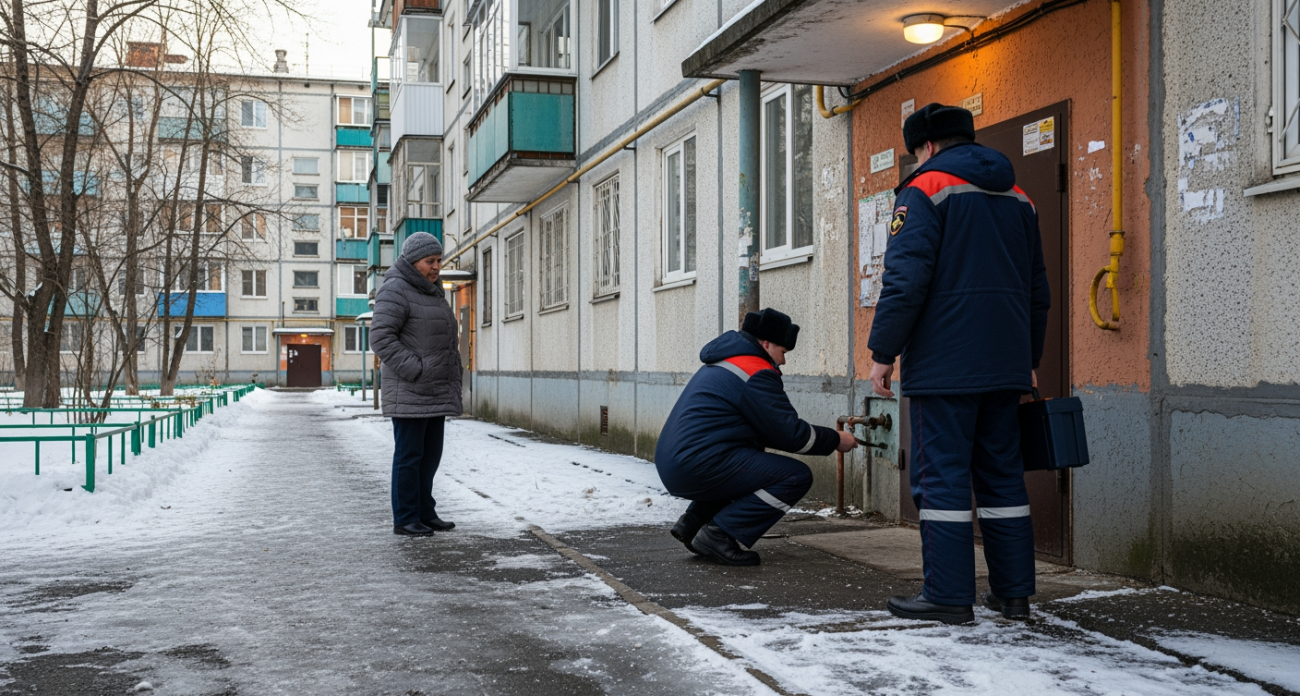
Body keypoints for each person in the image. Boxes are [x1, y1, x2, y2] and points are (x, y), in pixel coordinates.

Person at [869, 103, 1050, 624]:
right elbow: (1039, 292)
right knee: (1001, 476)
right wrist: (1029, 359)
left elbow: (905, 281)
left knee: (942, 477)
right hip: (1005, 364)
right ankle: (1013, 595)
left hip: (945, 366)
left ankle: (948, 595)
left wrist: (884, 353)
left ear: (925, 147)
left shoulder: (923, 190)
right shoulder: (1020, 197)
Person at [655, 308, 858, 566]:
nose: (783, 361)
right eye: (783, 352)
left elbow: (768, 430)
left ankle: (693, 524)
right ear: (766, 343)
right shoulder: (756, 371)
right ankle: (719, 534)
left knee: (754, 462)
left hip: (677, 461)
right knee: (795, 477)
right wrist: (836, 440)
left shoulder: (726, 361)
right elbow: (790, 434)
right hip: (694, 464)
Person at [370, 231, 463, 536]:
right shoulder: (395, 289)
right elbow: (381, 338)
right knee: (410, 457)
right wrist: (416, 370)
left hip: (434, 388)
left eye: (439, 260)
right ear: (413, 262)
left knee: (430, 456)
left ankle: (425, 511)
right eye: (430, 261)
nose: (437, 267)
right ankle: (405, 517)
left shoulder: (433, 291)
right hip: (412, 388)